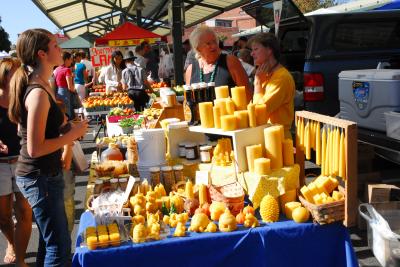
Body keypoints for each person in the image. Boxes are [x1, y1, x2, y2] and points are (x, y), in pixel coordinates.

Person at [8, 28, 88, 266]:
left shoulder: (44, 85)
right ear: (42, 54)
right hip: (39, 176)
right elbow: (34, 148)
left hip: (44, 174)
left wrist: (68, 128)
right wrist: (71, 134)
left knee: (49, 240)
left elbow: (47, 129)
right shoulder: (38, 92)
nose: (60, 49)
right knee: (59, 246)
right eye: (55, 45)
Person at [0, 57, 32, 267]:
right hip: (0, 164)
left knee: (24, 211)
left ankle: (20, 257)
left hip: (22, 161)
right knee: (3, 216)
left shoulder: (24, 99)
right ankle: (11, 243)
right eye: (14, 73)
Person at [185, 25, 251, 102]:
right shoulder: (190, 70)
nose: (214, 46)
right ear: (198, 48)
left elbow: (247, 95)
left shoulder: (231, 62)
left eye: (215, 41)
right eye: (208, 43)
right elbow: (188, 102)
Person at [250, 32, 295, 139]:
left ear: (269, 50)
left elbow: (258, 113)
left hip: (278, 139)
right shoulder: (265, 74)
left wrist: (257, 83)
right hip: (267, 135)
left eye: (256, 49)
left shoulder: (281, 78)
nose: (251, 54)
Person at [54, 51, 75, 119]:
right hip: (65, 93)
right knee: (67, 114)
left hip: (58, 93)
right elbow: (70, 87)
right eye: (70, 59)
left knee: (61, 114)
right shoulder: (67, 70)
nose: (71, 62)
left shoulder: (56, 69)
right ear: (66, 59)